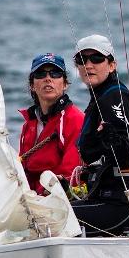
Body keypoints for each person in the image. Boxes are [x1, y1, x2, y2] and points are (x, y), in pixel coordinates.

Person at [70, 35, 129, 237]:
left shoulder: (115, 95)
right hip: (107, 201)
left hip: (127, 208)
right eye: (82, 60)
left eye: (97, 59)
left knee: (49, 216)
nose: (88, 65)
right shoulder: (98, 100)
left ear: (111, 65)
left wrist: (113, 138)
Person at [18, 53, 84, 194]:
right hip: (30, 197)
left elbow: (70, 173)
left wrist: (40, 194)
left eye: (55, 73)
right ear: (32, 85)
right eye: (40, 74)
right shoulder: (28, 125)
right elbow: (22, 171)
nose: (48, 78)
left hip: (58, 198)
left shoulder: (75, 120)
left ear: (65, 84)